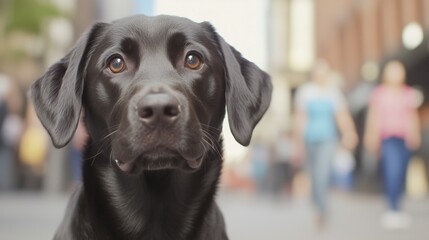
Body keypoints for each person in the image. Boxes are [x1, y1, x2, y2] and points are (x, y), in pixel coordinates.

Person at [294, 60, 357, 227]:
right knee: (314, 175)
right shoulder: (306, 92)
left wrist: (349, 132)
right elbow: (300, 117)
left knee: (322, 174)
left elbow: (342, 115)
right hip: (310, 140)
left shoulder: (333, 93)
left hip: (328, 139)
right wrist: (298, 140)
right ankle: (317, 203)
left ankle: (322, 209)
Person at [364, 60, 421, 229]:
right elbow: (374, 116)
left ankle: (398, 205)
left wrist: (415, 134)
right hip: (387, 137)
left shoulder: (408, 93)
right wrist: (371, 135)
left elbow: (412, 115)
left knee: (402, 171)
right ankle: (392, 208)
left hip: (404, 137)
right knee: (391, 170)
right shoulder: (379, 93)